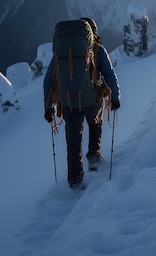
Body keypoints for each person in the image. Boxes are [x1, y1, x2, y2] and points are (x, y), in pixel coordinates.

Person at [43, 17, 121, 189]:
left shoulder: (60, 53)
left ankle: (75, 180)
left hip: (68, 103)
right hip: (91, 101)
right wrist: (115, 98)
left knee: (73, 141)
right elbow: (110, 76)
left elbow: (48, 80)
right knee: (96, 123)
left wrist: (48, 108)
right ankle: (93, 155)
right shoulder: (98, 50)